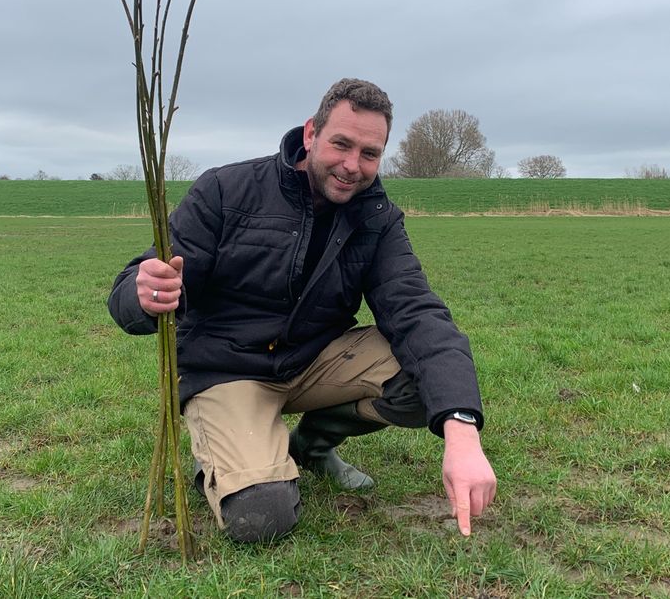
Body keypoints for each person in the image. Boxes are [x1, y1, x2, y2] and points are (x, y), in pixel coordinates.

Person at [108, 78, 496, 543]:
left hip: (313, 360)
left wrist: (462, 426)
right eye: (341, 144)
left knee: (427, 385)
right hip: (225, 370)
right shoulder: (225, 190)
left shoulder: (377, 218)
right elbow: (136, 288)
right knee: (263, 518)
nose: (353, 166)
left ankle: (310, 447)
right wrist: (142, 293)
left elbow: (416, 311)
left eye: (369, 154)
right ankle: (226, 454)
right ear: (311, 133)